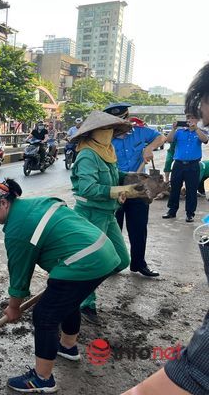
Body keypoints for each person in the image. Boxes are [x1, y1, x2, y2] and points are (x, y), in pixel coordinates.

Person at [0, 178, 121, 393]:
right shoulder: (34, 204)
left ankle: (42, 379)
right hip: (104, 253)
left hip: (84, 261)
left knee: (45, 315)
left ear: (4, 203)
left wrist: (14, 307)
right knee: (67, 301)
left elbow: (19, 276)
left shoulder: (17, 229)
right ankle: (67, 347)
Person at [122, 61, 209, 395]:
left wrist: (147, 151)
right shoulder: (100, 148)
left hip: (136, 182)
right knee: (114, 234)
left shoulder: (146, 133)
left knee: (139, 227)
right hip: (119, 185)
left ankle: (138, 261)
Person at [70, 111, 146, 325]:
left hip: (108, 213)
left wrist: (134, 179)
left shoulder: (108, 150)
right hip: (90, 214)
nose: (110, 133)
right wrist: (120, 190)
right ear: (94, 132)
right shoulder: (87, 154)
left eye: (112, 129)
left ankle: (79, 285)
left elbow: (115, 175)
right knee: (93, 262)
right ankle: (85, 301)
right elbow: (87, 188)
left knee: (121, 260)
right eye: (106, 129)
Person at [107, 108, 165, 278]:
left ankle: (139, 263)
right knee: (113, 226)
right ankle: (113, 263)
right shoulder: (106, 138)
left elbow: (161, 137)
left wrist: (150, 148)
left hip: (139, 185)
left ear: (126, 119)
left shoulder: (140, 132)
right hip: (115, 184)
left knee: (139, 227)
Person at [163, 114, 209, 222]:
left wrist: (196, 129)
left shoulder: (200, 132)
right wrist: (173, 129)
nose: (190, 120)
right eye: (188, 118)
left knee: (191, 190)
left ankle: (190, 214)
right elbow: (168, 140)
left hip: (193, 165)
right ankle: (172, 211)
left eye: (192, 118)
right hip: (178, 164)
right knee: (175, 188)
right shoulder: (179, 132)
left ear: (197, 120)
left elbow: (205, 140)